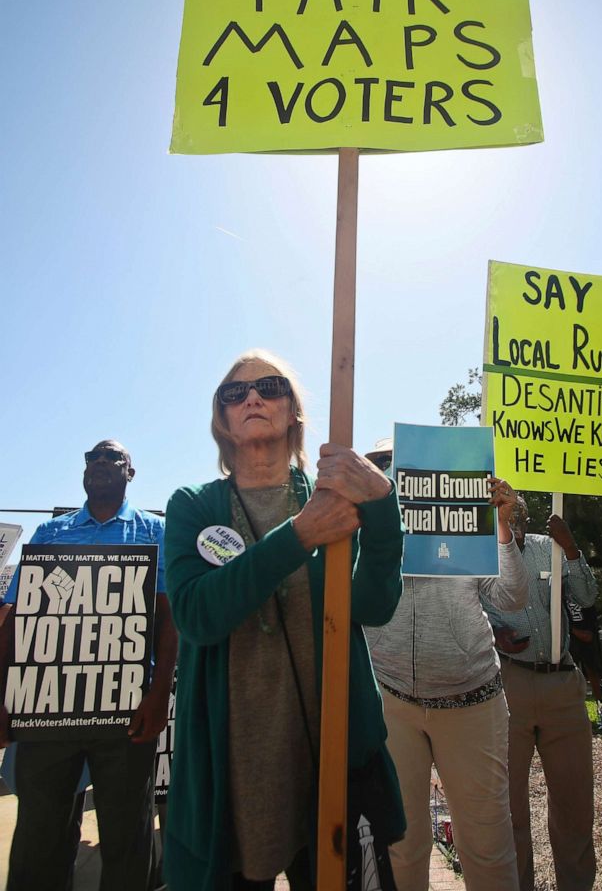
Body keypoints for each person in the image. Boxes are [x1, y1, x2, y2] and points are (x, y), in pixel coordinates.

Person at [163, 350, 406, 891]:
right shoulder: (193, 507)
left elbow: (372, 606)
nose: (251, 397)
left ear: (294, 412)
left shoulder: (330, 498)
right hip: (237, 775)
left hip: (335, 765)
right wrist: (299, 536)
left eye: (269, 387)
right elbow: (198, 616)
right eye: (235, 393)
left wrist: (383, 511)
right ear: (222, 420)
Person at [0, 439, 178, 891]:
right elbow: (14, 616)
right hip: (47, 706)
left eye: (112, 457)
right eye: (91, 457)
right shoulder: (50, 534)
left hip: (126, 709)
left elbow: (168, 620)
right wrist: (2, 699)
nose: (99, 463)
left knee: (127, 835)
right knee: (40, 833)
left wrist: (158, 698)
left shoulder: (151, 532)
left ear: (130, 472)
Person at [365, 438, 527, 891]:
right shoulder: (364, 534)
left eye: (402, 464)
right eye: (381, 465)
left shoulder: (468, 531)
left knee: (487, 848)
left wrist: (500, 526)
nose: (393, 474)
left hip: (472, 700)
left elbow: (512, 598)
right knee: (399, 845)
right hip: (392, 701)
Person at [483, 497, 597, 891]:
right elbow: (466, 609)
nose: (510, 525)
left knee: (574, 803)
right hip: (507, 683)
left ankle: (577, 883)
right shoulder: (480, 557)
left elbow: (587, 598)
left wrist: (571, 549)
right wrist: (494, 633)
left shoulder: (549, 549)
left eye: (515, 518)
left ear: (525, 520)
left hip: (561, 682)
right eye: (502, 517)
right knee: (509, 807)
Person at [566, 598, 602, 724]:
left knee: (592, 670)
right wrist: (573, 631)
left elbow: (592, 616)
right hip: (571, 638)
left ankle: (600, 705)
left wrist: (590, 632)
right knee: (571, 672)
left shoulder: (584, 596)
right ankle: (575, 707)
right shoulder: (561, 596)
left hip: (588, 637)